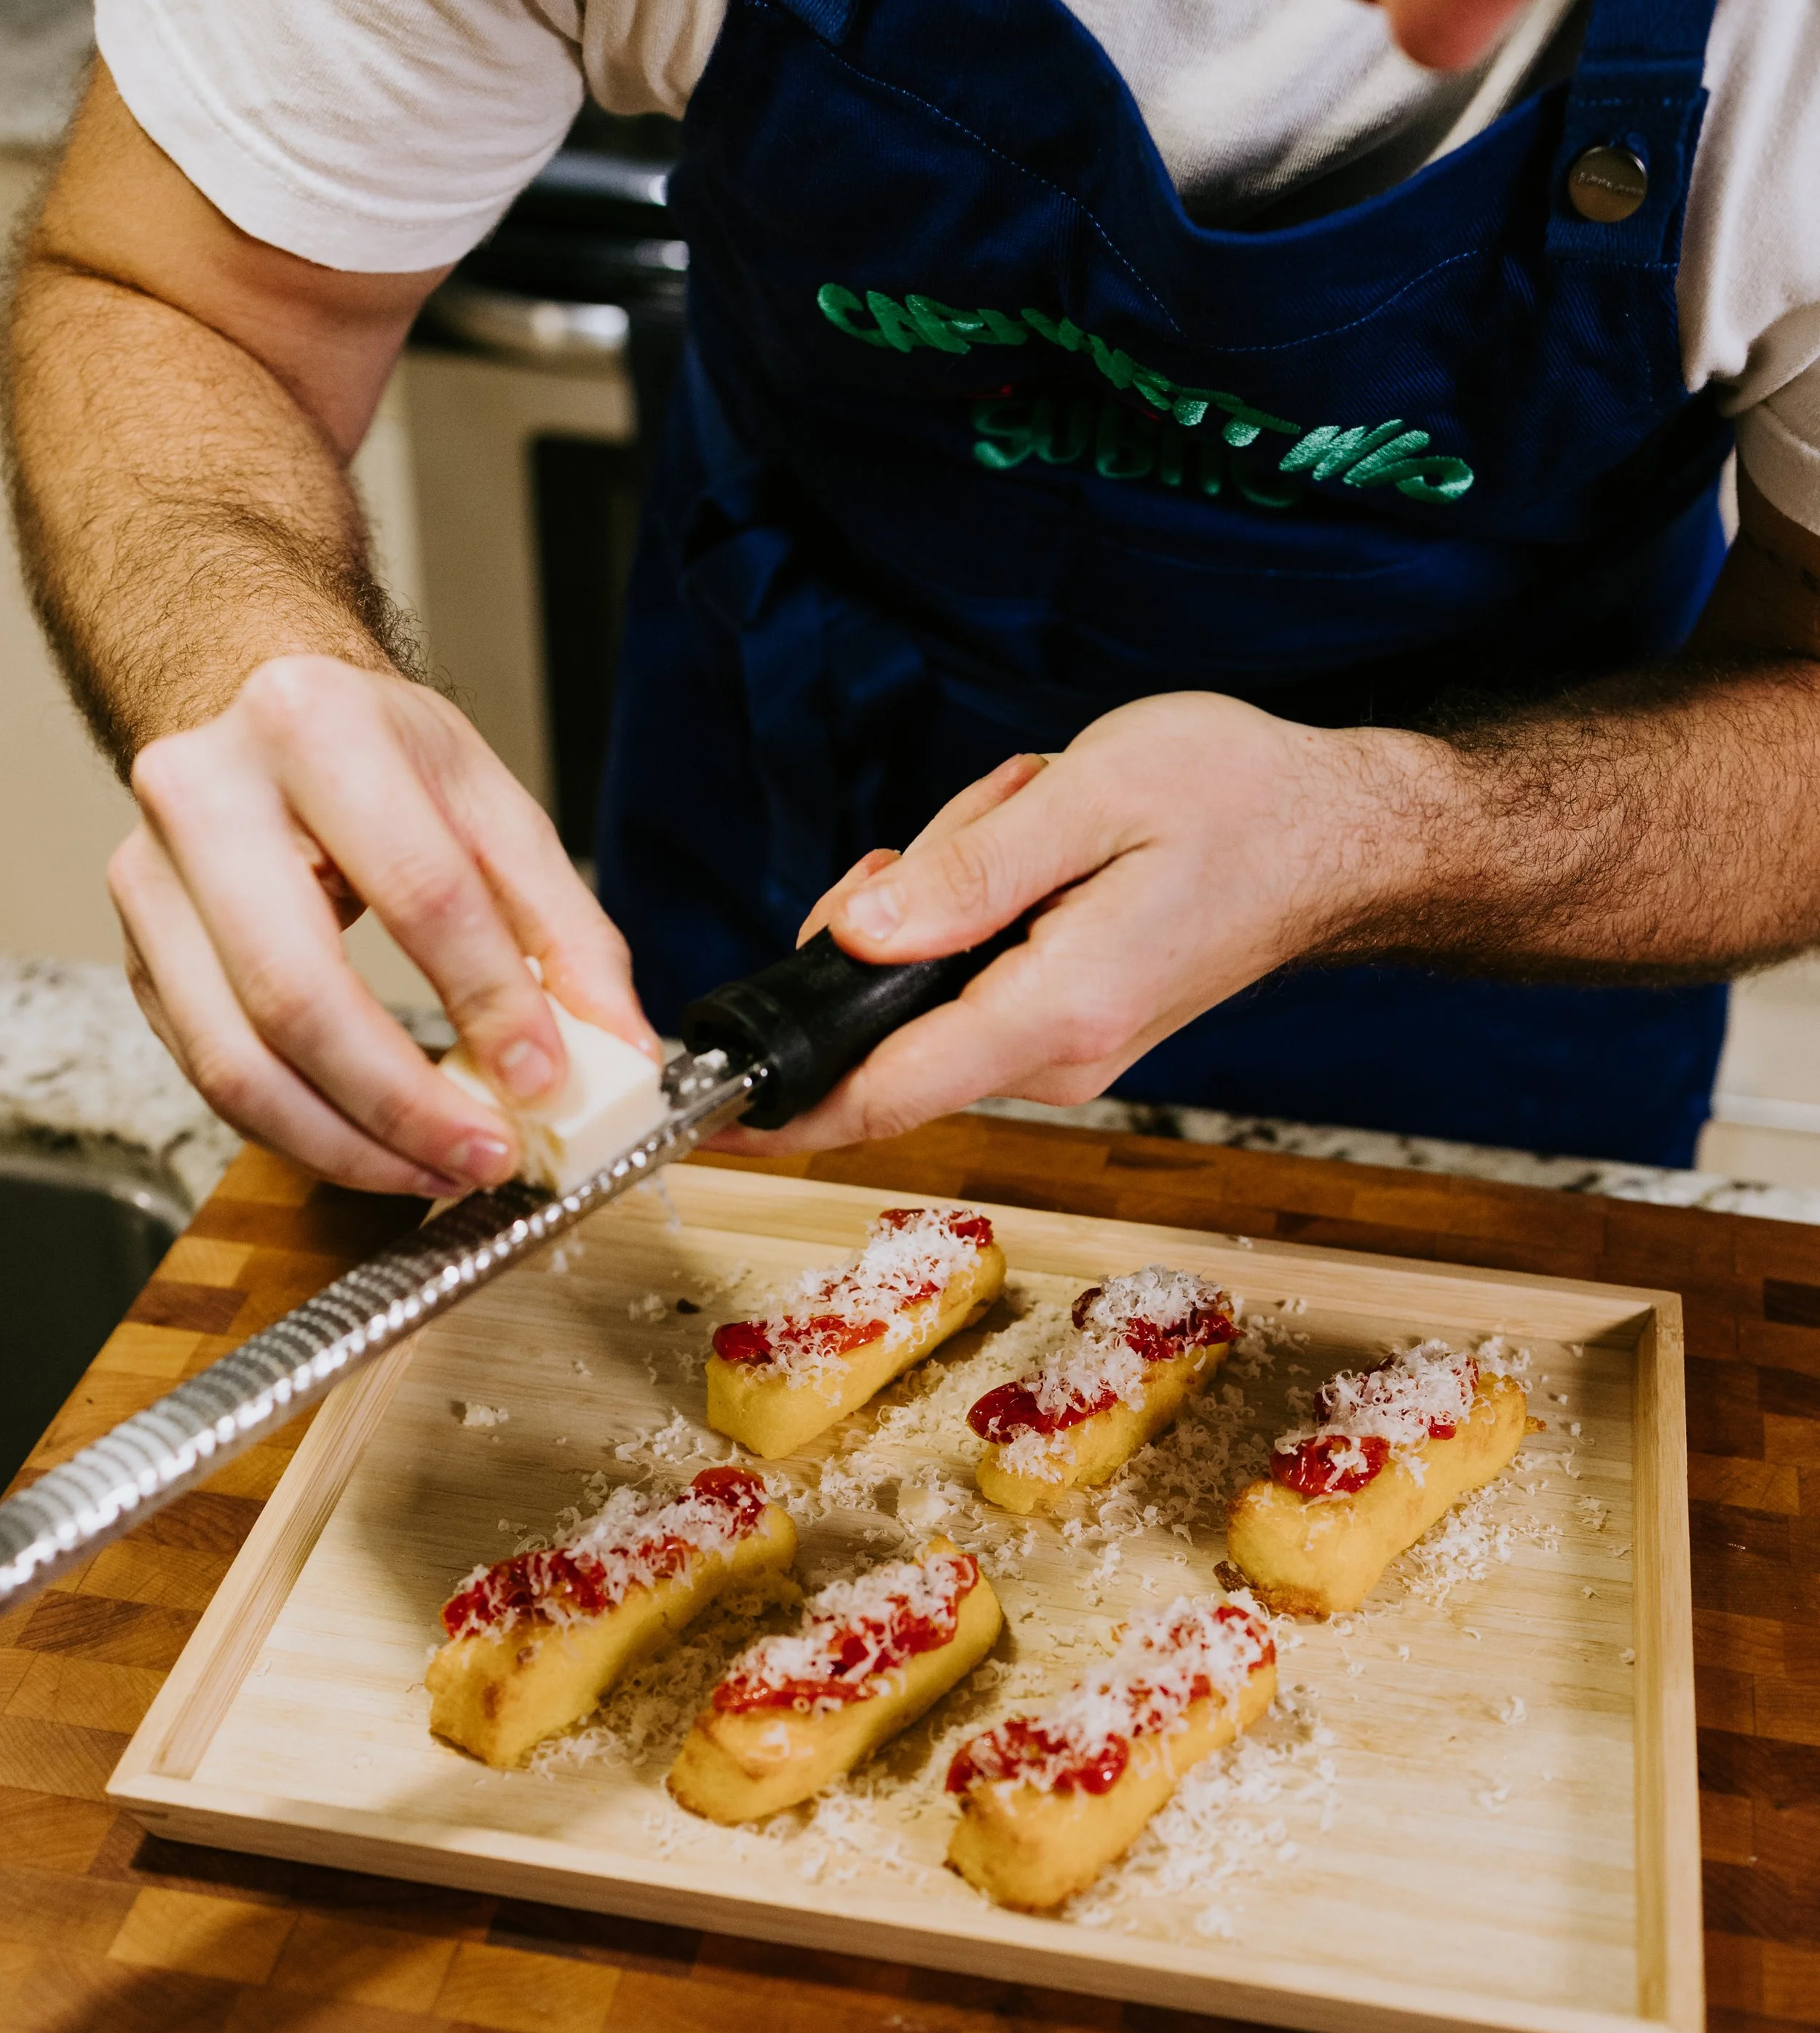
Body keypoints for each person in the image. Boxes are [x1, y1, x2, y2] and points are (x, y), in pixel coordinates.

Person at [7, 0, 1820, 1199]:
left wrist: (1389, 833)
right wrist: (245, 643)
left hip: (1486, 971)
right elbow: (180, 298)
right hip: (780, 827)